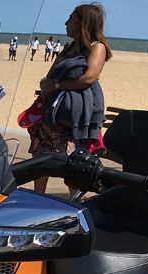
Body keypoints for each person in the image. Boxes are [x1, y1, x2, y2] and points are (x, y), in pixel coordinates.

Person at [28, 3, 112, 194]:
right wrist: (47, 85)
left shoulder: (97, 47)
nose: (66, 23)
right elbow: (50, 76)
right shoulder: (70, 48)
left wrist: (57, 86)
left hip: (74, 116)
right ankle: (39, 197)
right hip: (54, 113)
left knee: (72, 164)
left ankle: (74, 202)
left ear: (83, 23)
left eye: (71, 18)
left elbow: (88, 78)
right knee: (41, 157)